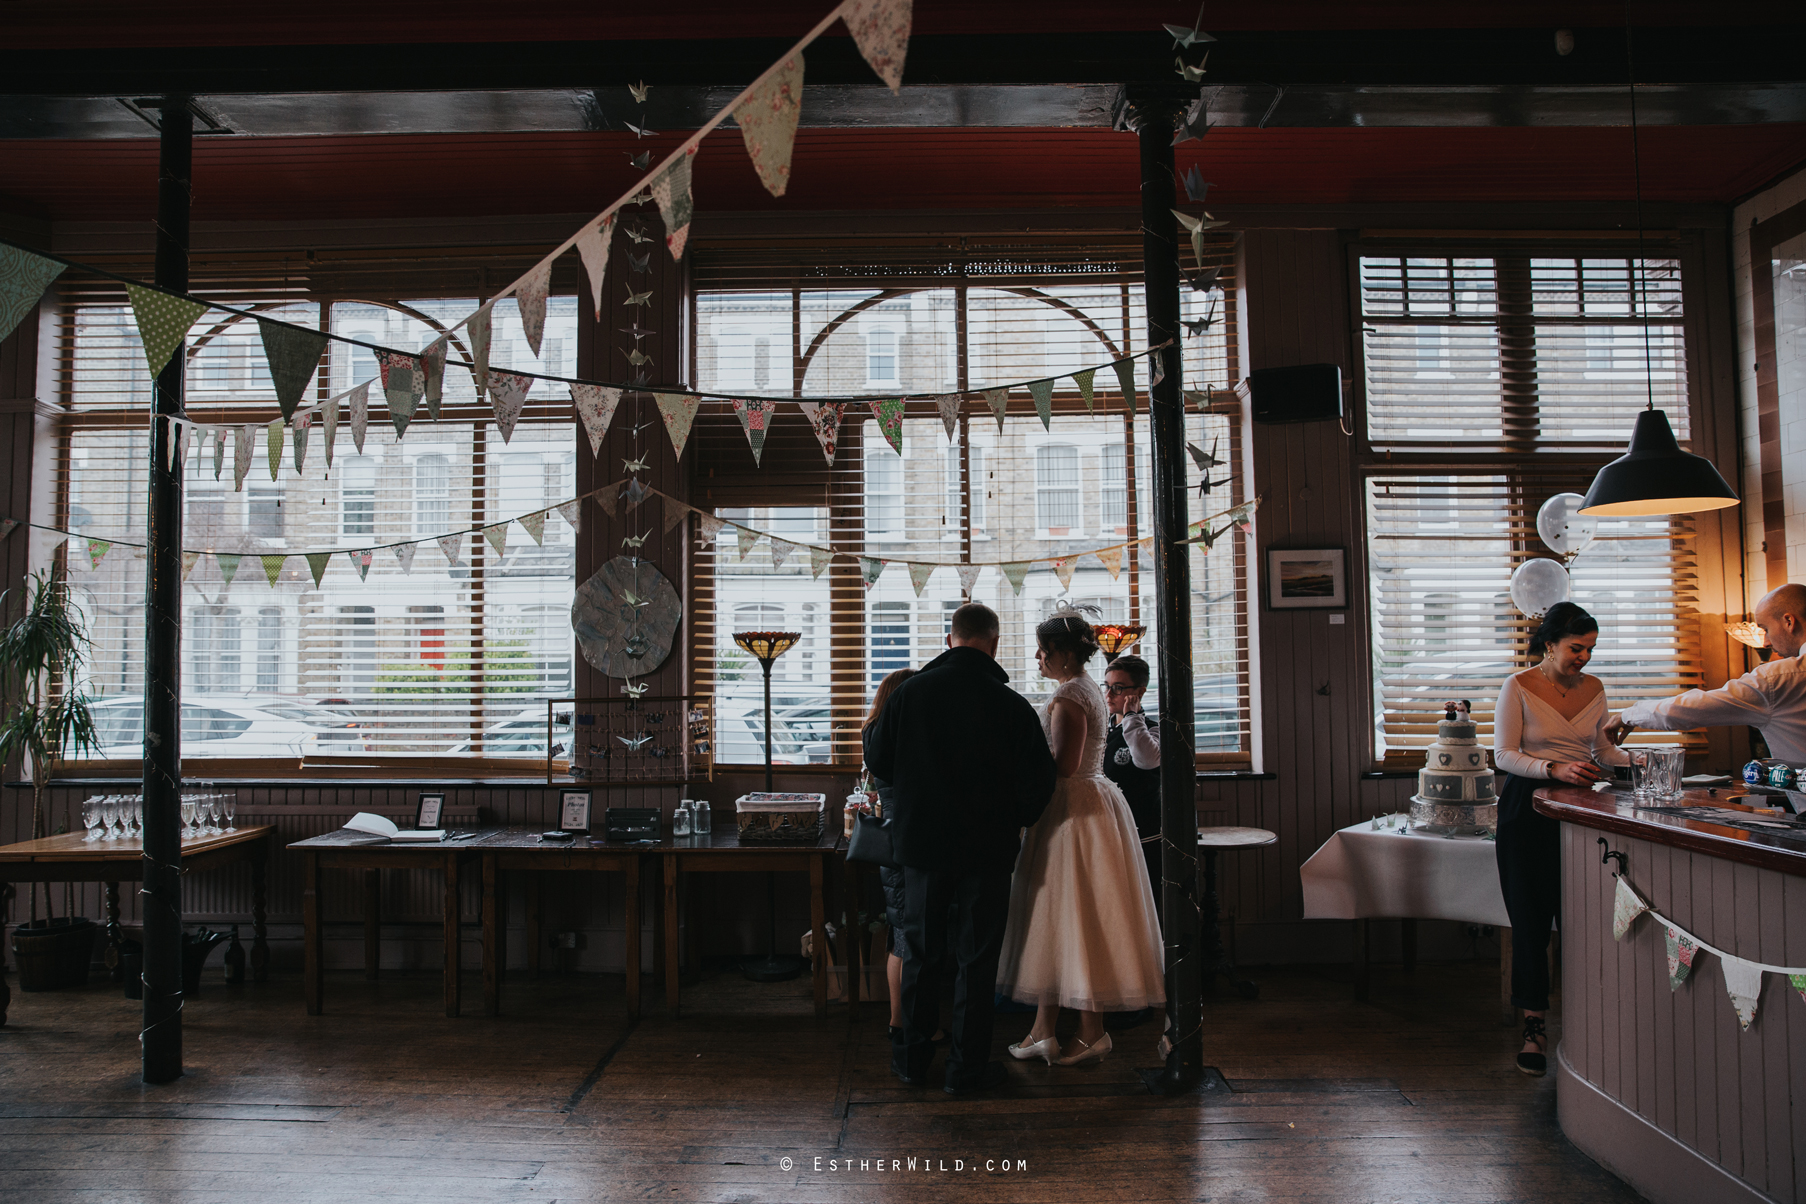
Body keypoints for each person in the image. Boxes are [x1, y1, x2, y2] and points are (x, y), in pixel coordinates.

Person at [862, 602, 1056, 1095]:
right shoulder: (1012, 705)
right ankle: (966, 1071)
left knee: (921, 955)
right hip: (987, 849)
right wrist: (1014, 820)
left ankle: (910, 1061)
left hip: (920, 845)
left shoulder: (910, 694)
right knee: (976, 960)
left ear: (950, 640)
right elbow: (1039, 782)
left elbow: (877, 758)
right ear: (993, 643)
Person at [996, 610, 1166, 1067]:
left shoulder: (1070, 695)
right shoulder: (1088, 687)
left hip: (1073, 808)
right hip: (1089, 804)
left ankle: (1092, 1033)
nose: (1037, 657)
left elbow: (1064, 766)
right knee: (1061, 918)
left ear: (1063, 653)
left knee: (1073, 915)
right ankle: (1043, 1030)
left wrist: (1016, 765)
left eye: (1043, 650)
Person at [1492, 601, 1628, 1077]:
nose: (1585, 659)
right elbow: (1504, 754)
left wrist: (1635, 757)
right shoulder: (1519, 686)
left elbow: (1603, 750)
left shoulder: (1594, 688)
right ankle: (1534, 1026)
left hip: (1581, 808)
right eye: (1576, 648)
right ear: (1549, 644)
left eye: (1590, 649)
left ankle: (1588, 1026)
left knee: (1582, 920)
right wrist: (1553, 767)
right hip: (1526, 807)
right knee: (1531, 921)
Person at [1605, 582, 1806, 764]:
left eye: (1765, 629)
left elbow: (1692, 709)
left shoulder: (1779, 680)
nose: (1765, 642)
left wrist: (1628, 715)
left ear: (1789, 621)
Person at [859, 667, 940, 1046]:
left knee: (900, 932)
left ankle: (902, 1021)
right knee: (906, 937)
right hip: (905, 841)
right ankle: (902, 1022)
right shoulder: (897, 733)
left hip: (892, 841)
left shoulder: (874, 730)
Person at [1102, 654, 1162, 920]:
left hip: (1143, 833)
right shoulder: (1104, 730)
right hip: (1109, 831)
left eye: (1118, 687)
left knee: (1143, 907)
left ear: (1139, 692)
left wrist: (1131, 715)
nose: (1109, 693)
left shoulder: (1152, 730)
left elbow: (1147, 760)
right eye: (1107, 686)